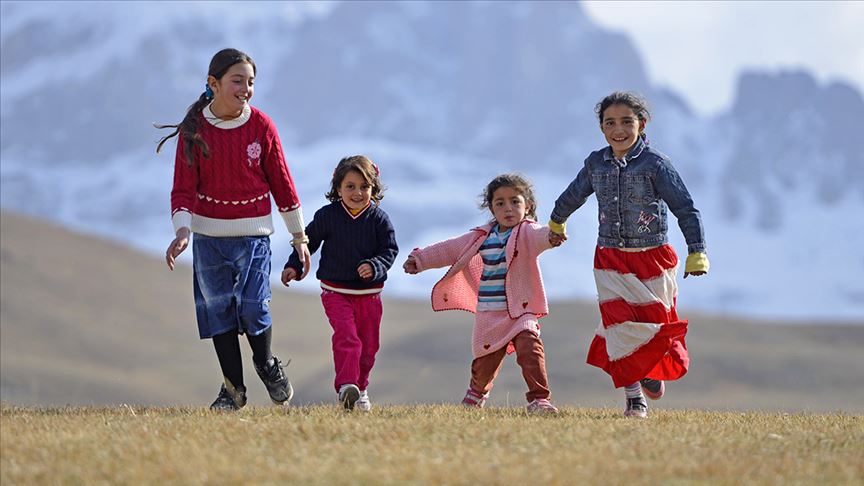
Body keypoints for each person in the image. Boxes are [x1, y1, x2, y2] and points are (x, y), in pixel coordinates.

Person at [156, 48, 311, 411]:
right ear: (214, 84)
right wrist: (183, 231)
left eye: (251, 82)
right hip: (209, 239)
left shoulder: (262, 127)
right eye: (237, 81)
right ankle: (233, 389)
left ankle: (266, 363)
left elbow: (283, 185)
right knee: (219, 310)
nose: (246, 89)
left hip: (254, 236)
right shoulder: (195, 129)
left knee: (255, 306)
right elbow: (182, 188)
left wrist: (299, 238)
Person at [548, 91, 709, 418]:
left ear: (642, 123)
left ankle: (648, 366)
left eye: (626, 121)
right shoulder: (596, 163)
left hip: (652, 258)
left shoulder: (656, 165)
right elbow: (573, 194)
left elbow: (685, 209)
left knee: (653, 325)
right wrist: (557, 221)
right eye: (610, 123)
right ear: (602, 128)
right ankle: (634, 397)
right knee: (619, 326)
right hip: (610, 258)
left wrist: (697, 252)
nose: (618, 129)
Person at [404, 174, 561, 414]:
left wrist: (551, 236)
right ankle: (476, 395)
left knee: (531, 349)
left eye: (515, 201)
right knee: (485, 363)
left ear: (527, 205)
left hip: (520, 311)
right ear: (491, 208)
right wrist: (420, 259)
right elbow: (450, 248)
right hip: (490, 313)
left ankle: (539, 400)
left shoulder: (527, 232)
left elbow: (542, 237)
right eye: (500, 203)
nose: (508, 208)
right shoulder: (481, 237)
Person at [282, 155, 398, 411]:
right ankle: (346, 386)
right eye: (350, 186)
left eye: (364, 187)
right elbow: (307, 242)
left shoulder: (379, 219)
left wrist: (375, 266)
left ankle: (361, 388)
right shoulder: (327, 216)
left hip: (369, 294)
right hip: (335, 291)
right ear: (338, 189)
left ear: (373, 189)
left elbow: (389, 250)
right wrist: (294, 265)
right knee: (348, 338)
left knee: (368, 348)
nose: (357, 193)